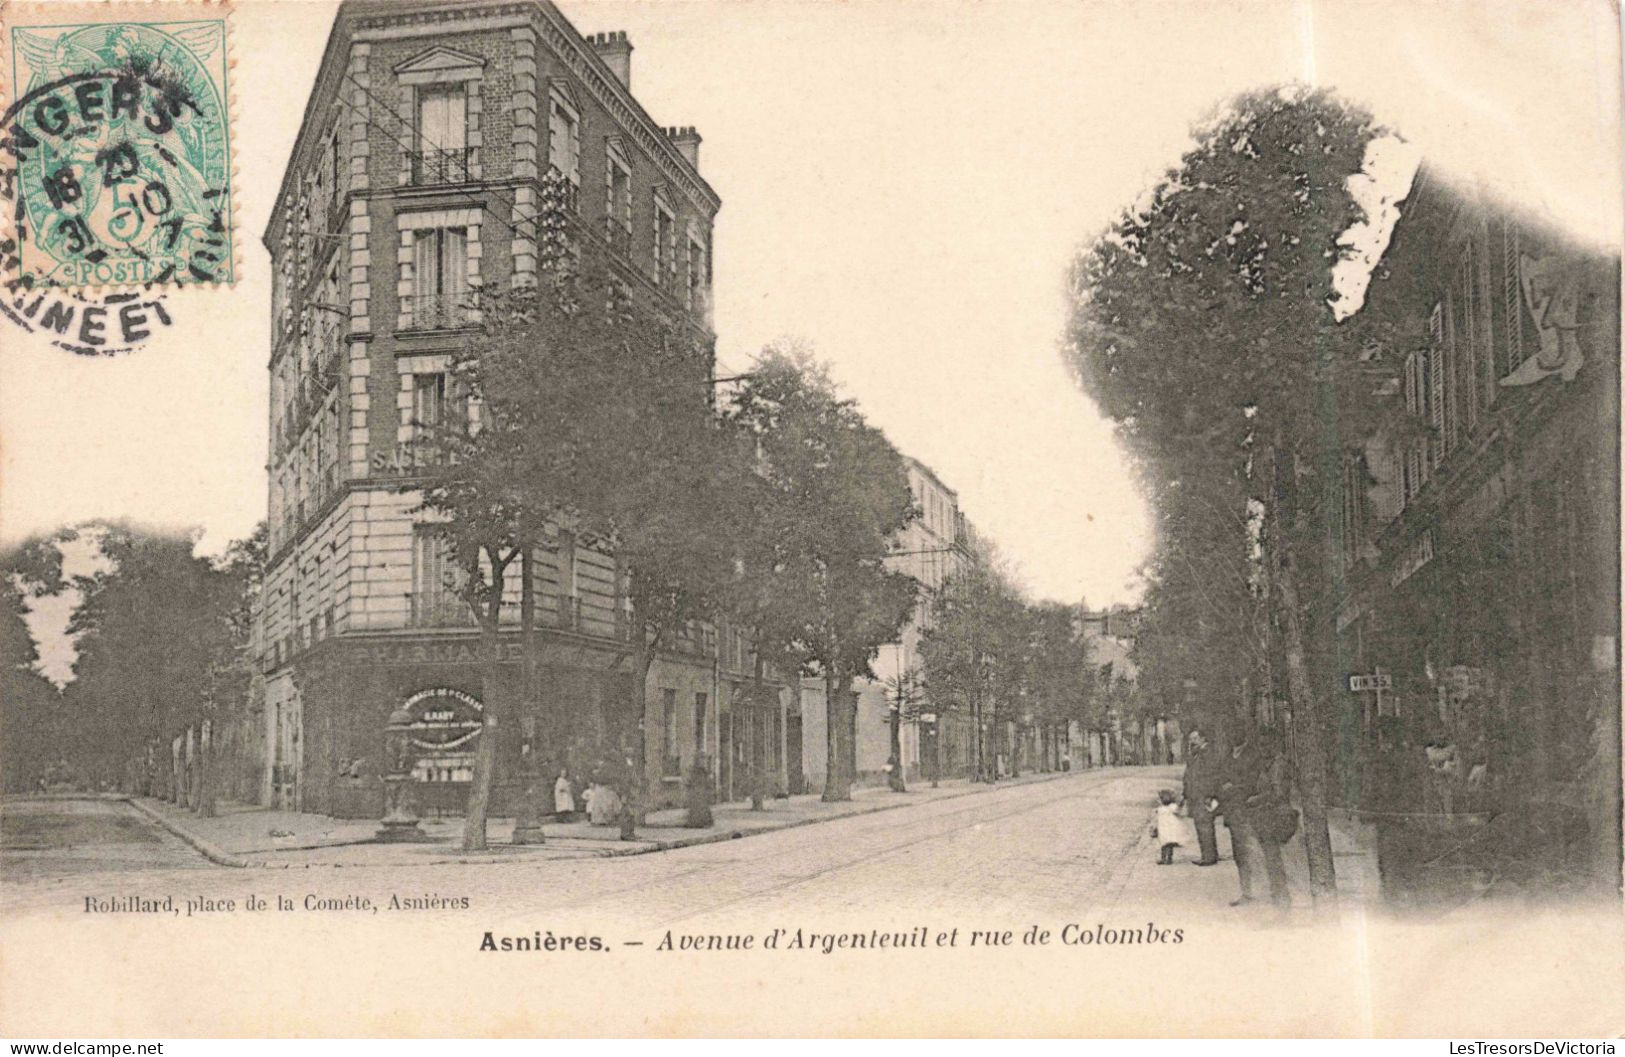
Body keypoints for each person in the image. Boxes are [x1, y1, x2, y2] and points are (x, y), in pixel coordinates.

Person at [1216, 725, 1291, 910]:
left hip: (1265, 814)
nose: (1264, 749)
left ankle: (1277, 903)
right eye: (1262, 745)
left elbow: (1272, 790)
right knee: (1245, 854)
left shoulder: (1269, 762)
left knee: (1270, 859)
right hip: (1246, 811)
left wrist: (1247, 795)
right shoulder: (1260, 761)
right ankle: (1259, 896)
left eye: (1267, 745)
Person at [1181, 729, 1221, 866]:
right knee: (1201, 824)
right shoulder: (1196, 754)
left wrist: (1210, 794)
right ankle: (1209, 854)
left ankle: (1208, 857)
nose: (1192, 741)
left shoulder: (1207, 753)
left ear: (1203, 738)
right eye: (1191, 739)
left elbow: (1211, 776)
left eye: (1195, 738)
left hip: (1204, 795)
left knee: (1204, 824)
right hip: (1197, 795)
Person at [1151, 789, 1190, 864]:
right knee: (1169, 845)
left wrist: (1154, 827)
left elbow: (1156, 818)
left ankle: (1163, 858)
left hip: (1163, 830)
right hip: (1171, 829)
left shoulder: (1160, 809)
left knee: (1163, 845)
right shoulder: (1172, 807)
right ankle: (1168, 859)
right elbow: (1178, 810)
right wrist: (1181, 803)